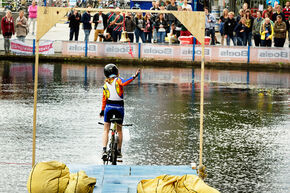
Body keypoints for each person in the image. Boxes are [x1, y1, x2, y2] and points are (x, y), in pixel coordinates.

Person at [100, 64, 140, 159]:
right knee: (119, 131)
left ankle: (104, 150)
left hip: (108, 108)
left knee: (106, 130)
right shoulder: (118, 80)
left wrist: (102, 111)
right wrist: (134, 76)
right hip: (119, 108)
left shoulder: (105, 85)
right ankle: (118, 151)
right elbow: (125, 83)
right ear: (116, 72)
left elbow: (104, 99)